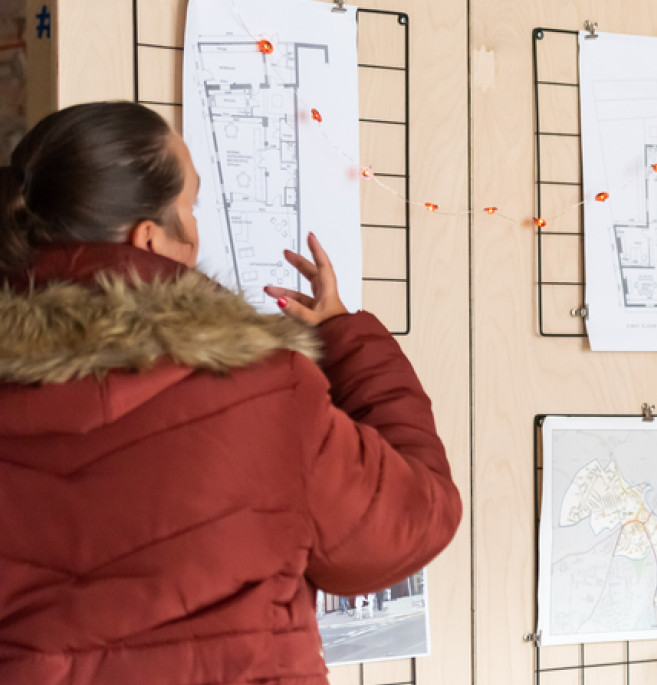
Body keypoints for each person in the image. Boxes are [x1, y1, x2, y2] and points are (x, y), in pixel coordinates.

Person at [0, 102, 462, 684]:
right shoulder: (262, 390)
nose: (198, 227)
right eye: (190, 205)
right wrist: (347, 338)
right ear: (147, 239)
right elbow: (413, 520)